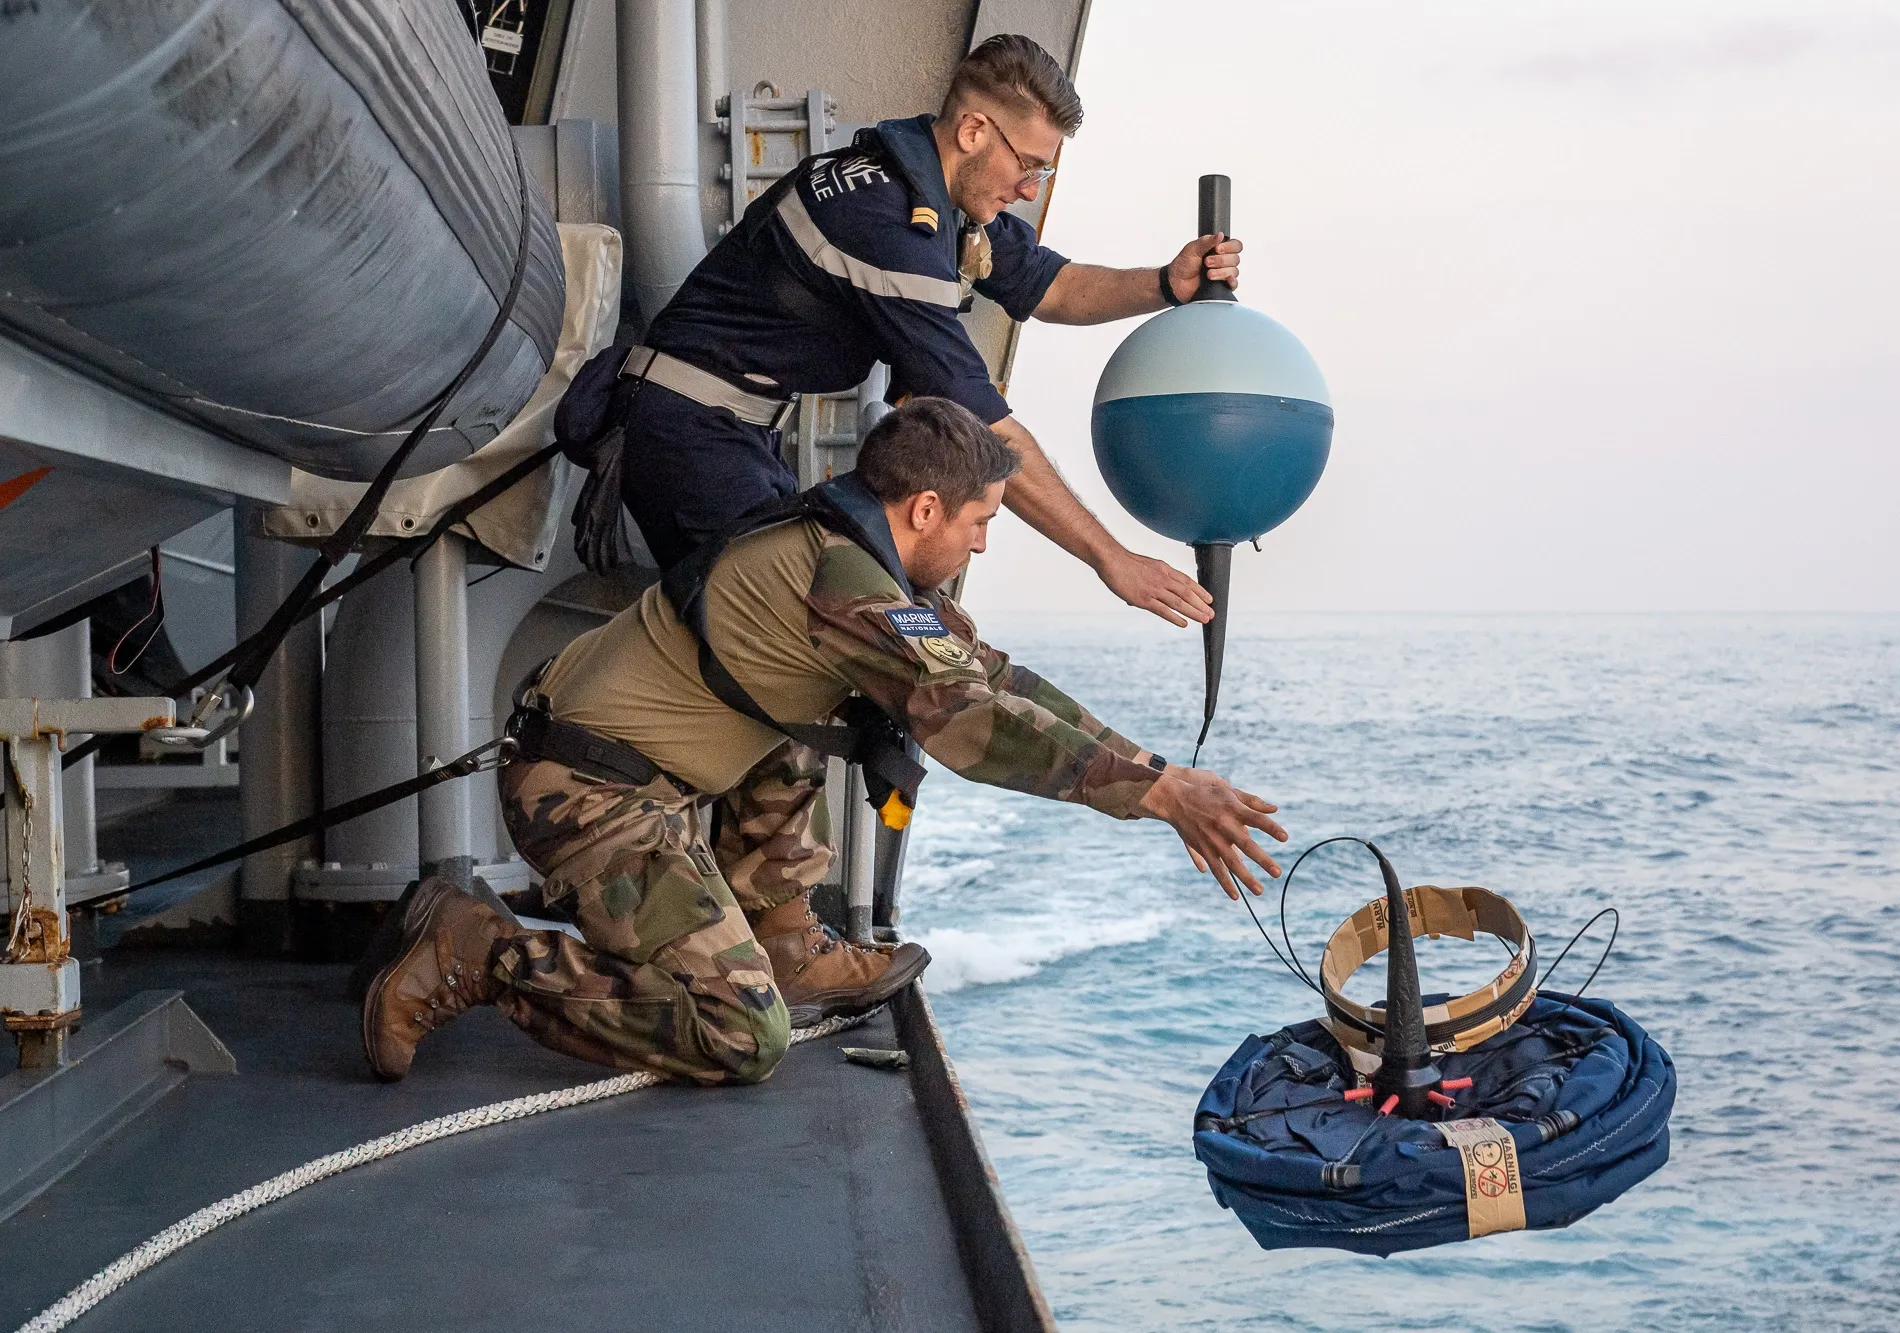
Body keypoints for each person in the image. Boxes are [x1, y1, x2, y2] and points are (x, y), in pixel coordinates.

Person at [364, 399, 1286, 1085]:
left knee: (811, 725)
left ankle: (784, 937)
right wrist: (1160, 796)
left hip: (646, 772)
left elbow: (998, 682)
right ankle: (481, 950)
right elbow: (972, 726)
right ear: (925, 511)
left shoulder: (862, 559)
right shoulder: (849, 593)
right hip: (590, 792)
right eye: (981, 524)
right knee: (739, 1034)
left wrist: (1163, 773)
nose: (983, 546)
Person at [614, 32, 1241, 627]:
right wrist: (1114, 559)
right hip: (687, 430)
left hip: (730, 428)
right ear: (973, 130)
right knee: (784, 633)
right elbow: (986, 429)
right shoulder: (889, 227)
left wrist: (1164, 284)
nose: (1028, 190)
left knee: (831, 619)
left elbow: (1051, 285)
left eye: (1042, 175)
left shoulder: (930, 192)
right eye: (1028, 165)